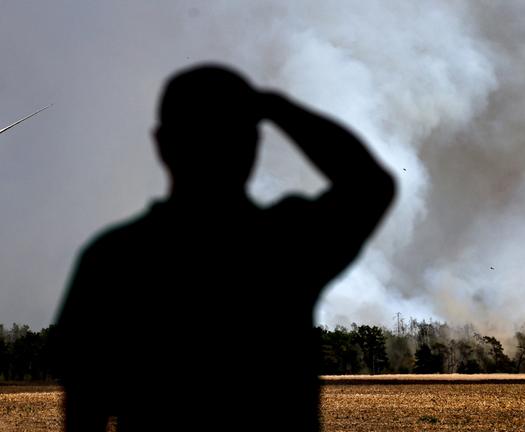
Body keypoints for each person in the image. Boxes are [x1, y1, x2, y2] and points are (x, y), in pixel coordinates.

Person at [56, 65, 395, 431]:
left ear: (163, 144)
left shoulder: (113, 258)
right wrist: (275, 107)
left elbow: (82, 407)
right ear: (252, 146)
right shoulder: (284, 245)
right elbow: (369, 184)